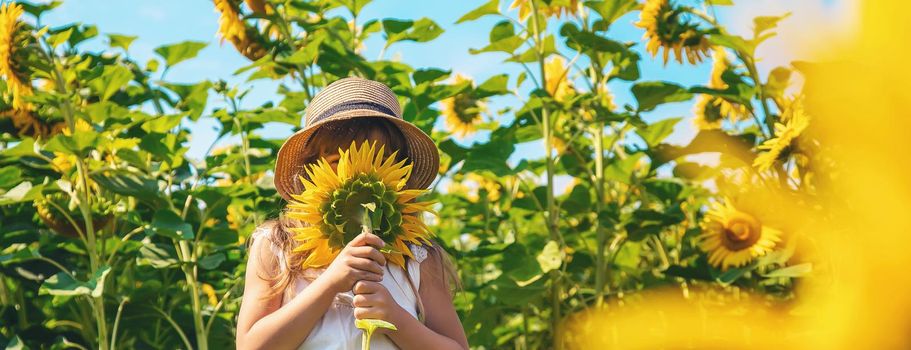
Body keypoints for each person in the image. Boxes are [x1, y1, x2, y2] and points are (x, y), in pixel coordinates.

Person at [235, 77, 469, 350]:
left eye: (377, 159)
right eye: (337, 162)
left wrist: (396, 319)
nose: (356, 172)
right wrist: (331, 283)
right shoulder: (279, 245)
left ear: (399, 169)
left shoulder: (416, 255)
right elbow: (251, 346)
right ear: (311, 168)